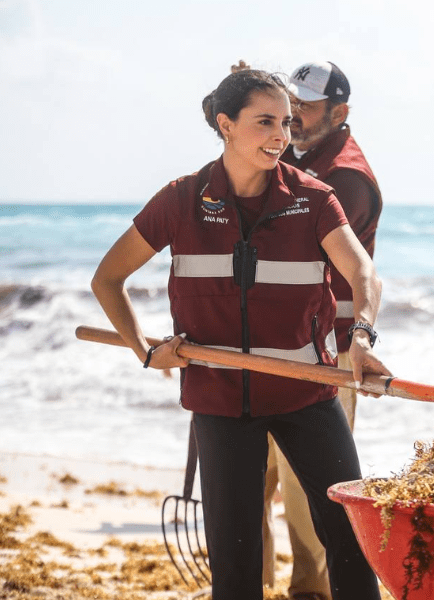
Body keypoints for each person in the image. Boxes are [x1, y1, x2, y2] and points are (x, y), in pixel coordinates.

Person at [91, 68, 386, 600]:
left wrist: (361, 335)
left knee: (348, 537)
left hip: (307, 394)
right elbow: (108, 278)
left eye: (288, 122)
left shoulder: (314, 199)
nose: (282, 135)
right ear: (226, 125)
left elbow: (363, 273)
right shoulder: (179, 200)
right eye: (266, 122)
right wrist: (144, 350)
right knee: (235, 561)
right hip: (220, 402)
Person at [259, 60, 382, 600]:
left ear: (340, 112)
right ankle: (265, 582)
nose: (296, 117)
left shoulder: (346, 177)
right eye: (290, 105)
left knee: (310, 484)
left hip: (324, 349)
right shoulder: (301, 154)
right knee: (262, 476)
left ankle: (312, 589)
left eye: (305, 107)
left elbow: (292, 242)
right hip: (278, 341)